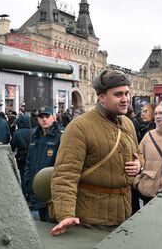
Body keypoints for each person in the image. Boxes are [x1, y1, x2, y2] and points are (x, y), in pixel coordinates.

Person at [50, 68, 141, 236]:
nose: (125, 99)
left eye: (127, 94)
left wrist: (138, 164)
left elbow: (138, 153)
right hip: (91, 222)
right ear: (102, 97)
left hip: (124, 215)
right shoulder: (79, 127)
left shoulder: (128, 124)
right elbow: (65, 175)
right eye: (118, 94)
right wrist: (66, 214)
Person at [23, 106, 62, 221]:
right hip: (36, 188)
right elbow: (29, 161)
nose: (44, 119)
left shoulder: (59, 137)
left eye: (47, 116)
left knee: (51, 222)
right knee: (41, 222)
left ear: (53, 118)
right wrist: (28, 181)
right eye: (41, 117)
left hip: (50, 189)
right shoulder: (34, 137)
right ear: (38, 119)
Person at [11, 113, 32, 194]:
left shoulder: (17, 133)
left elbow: (13, 144)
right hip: (32, 156)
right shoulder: (33, 131)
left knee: (23, 175)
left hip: (21, 157)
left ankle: (24, 192)